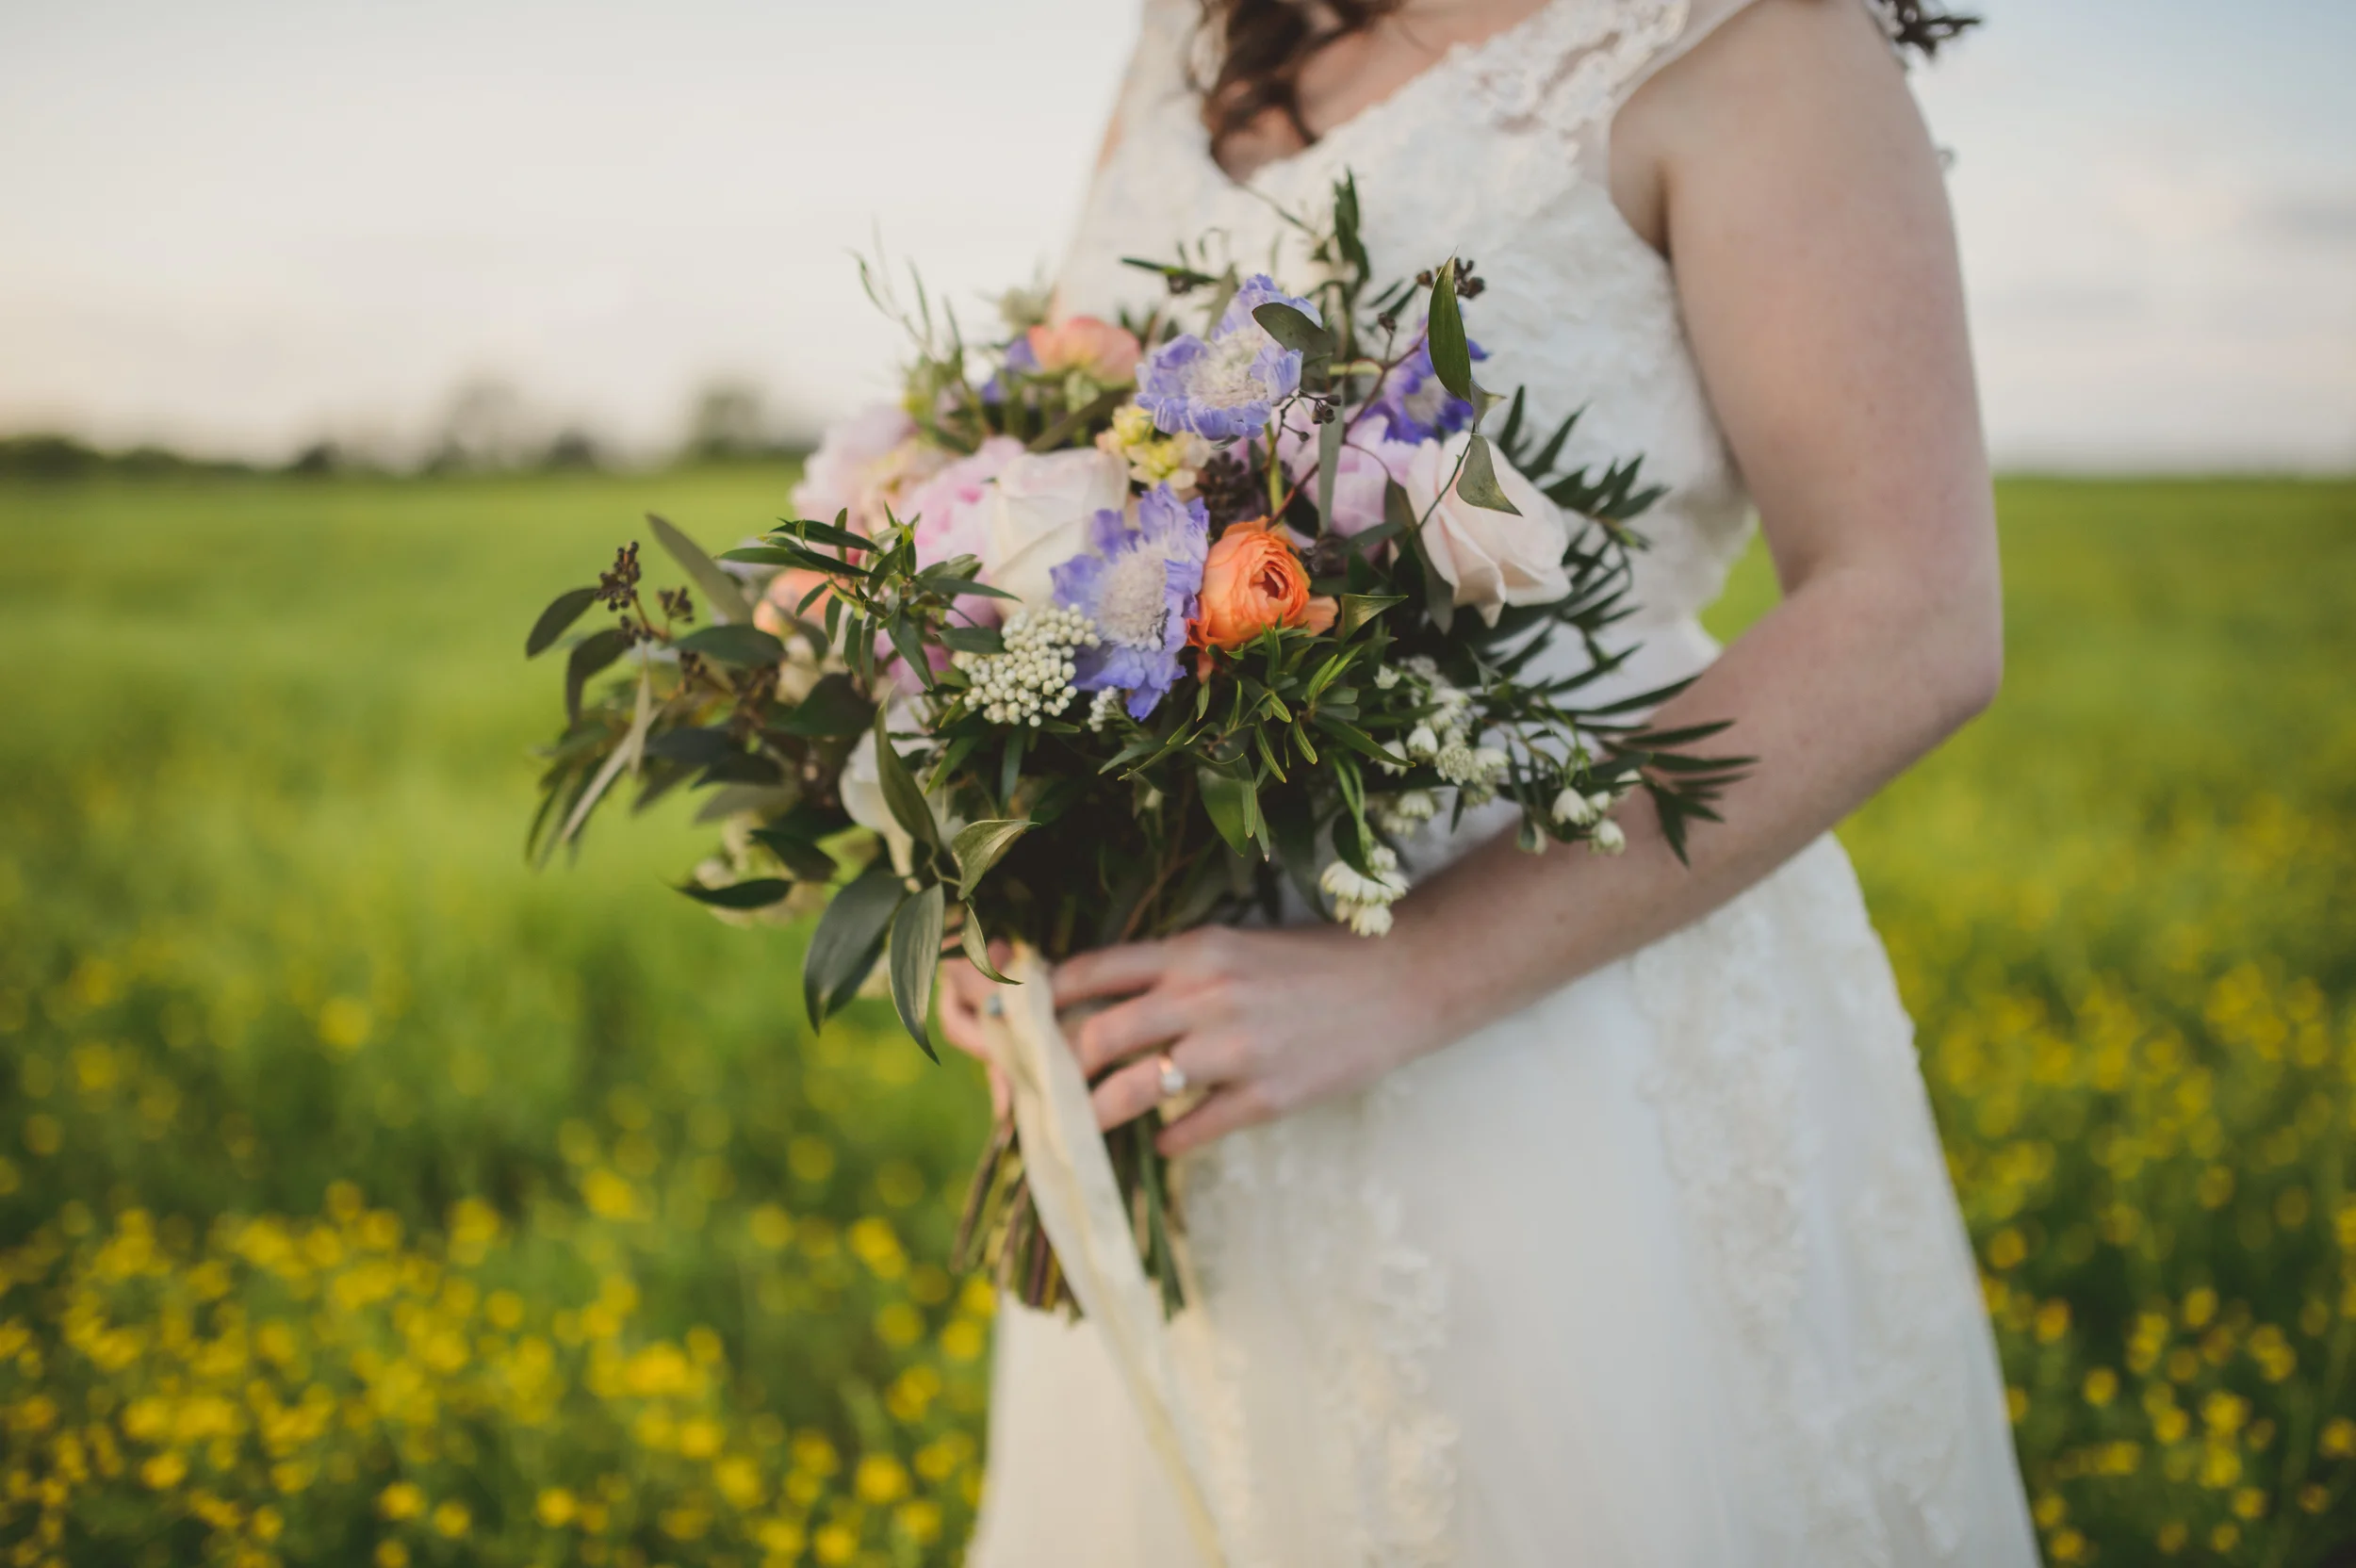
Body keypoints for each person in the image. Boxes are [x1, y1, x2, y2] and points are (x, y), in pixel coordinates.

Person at [941, 0, 2040, 1560]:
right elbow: (1059, 464)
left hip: (1567, 1020)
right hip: (1166, 1022)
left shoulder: (1750, 40)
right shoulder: (1195, 31)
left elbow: (1912, 613)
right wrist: (1000, 879)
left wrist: (1415, 981)